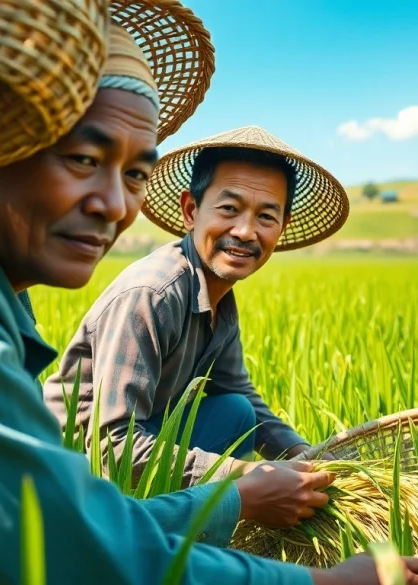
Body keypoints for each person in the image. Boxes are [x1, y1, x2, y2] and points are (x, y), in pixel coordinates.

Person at [0, 4, 418, 585]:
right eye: (83, 160)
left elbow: (73, 525)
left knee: (232, 406)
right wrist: (319, 580)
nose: (115, 205)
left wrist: (285, 465)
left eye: (134, 173)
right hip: (104, 458)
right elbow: (88, 558)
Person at [43, 126, 351, 491]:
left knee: (238, 411)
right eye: (229, 209)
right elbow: (112, 444)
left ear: (282, 227)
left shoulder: (218, 295)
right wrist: (249, 476)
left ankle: (191, 515)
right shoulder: (153, 293)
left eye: (266, 217)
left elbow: (237, 389)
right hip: (73, 467)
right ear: (191, 211)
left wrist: (304, 455)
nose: (245, 231)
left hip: (144, 437)